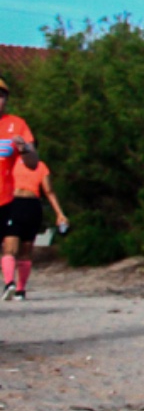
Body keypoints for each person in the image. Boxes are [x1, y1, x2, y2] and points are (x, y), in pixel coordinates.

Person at [3, 155, 69, 301]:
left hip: (21, 204)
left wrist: (59, 213)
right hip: (28, 205)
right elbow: (49, 191)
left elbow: (49, 190)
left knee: (15, 248)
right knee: (20, 249)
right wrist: (59, 213)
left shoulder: (34, 165)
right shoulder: (34, 164)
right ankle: (16, 288)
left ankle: (14, 285)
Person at [0, 76, 41, 300]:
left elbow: (34, 163)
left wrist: (25, 149)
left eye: (1, 96)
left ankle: (14, 287)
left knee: (14, 243)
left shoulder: (16, 124)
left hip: (6, 199)